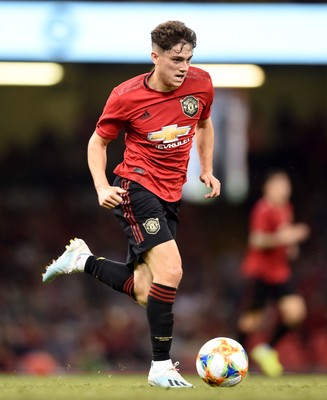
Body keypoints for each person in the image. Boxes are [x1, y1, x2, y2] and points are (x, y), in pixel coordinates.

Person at [42, 20, 220, 388]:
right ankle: (160, 367)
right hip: (136, 187)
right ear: (154, 57)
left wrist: (207, 168)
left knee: (144, 291)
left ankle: (83, 260)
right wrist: (101, 185)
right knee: (172, 270)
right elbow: (97, 143)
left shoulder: (201, 84)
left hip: (171, 194)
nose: (183, 67)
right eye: (175, 59)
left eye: (188, 58)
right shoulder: (125, 95)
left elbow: (204, 123)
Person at [236, 170, 310, 377]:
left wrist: (290, 245)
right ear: (268, 188)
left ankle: (267, 348)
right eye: (279, 186)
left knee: (296, 313)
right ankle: (235, 357)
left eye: (286, 186)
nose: (284, 190)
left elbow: (285, 235)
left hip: (280, 273)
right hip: (260, 272)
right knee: (252, 320)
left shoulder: (285, 208)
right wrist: (285, 238)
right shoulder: (263, 208)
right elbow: (257, 240)